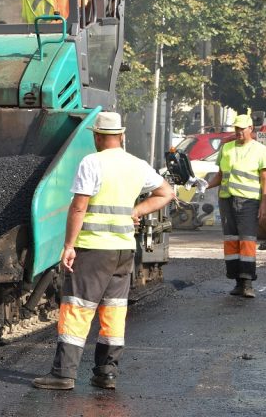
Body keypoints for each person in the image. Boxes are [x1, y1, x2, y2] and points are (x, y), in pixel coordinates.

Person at [32, 111, 173, 391]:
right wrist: (136, 210)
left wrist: (69, 245)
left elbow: (79, 206)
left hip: (94, 248)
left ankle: (63, 374)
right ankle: (106, 373)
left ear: (97, 136)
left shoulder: (92, 162)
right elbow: (166, 193)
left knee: (77, 308)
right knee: (114, 312)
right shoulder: (137, 164)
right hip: (123, 250)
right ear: (121, 136)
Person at [206, 114, 266, 298]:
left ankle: (247, 281)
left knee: (247, 241)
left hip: (248, 202)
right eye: (236, 128)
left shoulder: (260, 150)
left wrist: (264, 205)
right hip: (227, 200)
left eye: (242, 128)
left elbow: (265, 180)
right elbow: (220, 175)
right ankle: (237, 281)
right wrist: (205, 185)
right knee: (231, 240)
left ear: (251, 128)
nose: (238, 132)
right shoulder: (226, 148)